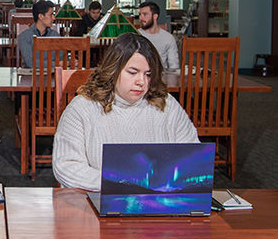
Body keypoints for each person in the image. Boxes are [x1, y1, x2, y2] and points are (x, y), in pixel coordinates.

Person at [52, 33, 198, 191]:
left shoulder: (167, 105)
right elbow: (66, 166)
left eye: (148, 74)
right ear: (114, 70)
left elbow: (193, 159)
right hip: (98, 200)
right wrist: (122, 182)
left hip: (159, 202)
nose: (141, 82)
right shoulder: (82, 108)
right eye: (132, 72)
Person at [137, 1, 179, 72]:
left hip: (162, 76)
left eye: (145, 14)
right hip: (139, 75)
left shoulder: (168, 38)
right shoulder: (136, 35)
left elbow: (174, 65)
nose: (141, 18)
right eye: (140, 14)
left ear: (155, 16)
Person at [16, 0, 59, 68]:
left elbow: (62, 58)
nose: (54, 18)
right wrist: (56, 64)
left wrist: (70, 61)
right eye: (51, 15)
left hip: (52, 75)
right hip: (30, 76)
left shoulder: (55, 36)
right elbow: (31, 63)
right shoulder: (25, 36)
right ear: (41, 16)